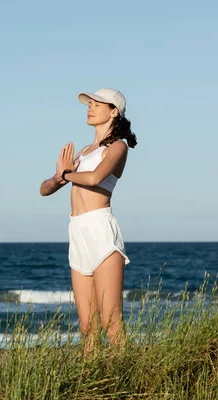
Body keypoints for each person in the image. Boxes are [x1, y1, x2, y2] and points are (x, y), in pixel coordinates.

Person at [39, 88, 137, 355]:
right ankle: (89, 384)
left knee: (110, 322)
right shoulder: (82, 152)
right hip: (78, 232)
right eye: (89, 104)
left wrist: (68, 174)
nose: (89, 108)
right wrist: (59, 177)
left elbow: (94, 178)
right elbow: (44, 189)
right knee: (87, 326)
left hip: (100, 230)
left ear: (113, 111)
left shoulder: (118, 147)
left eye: (96, 104)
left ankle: (130, 377)